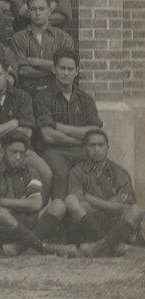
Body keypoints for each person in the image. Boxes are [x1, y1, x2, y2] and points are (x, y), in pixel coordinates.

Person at [0, 131, 75, 257]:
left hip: (30, 223)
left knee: (58, 205)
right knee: (2, 216)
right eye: (13, 152)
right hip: (5, 228)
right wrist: (24, 203)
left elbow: (36, 204)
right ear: (2, 151)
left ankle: (17, 248)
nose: (18, 157)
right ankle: (42, 247)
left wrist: (5, 201)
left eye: (22, 153)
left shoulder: (31, 172)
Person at [0, 55, 52, 188]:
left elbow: (26, 133)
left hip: (20, 148)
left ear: (6, 73)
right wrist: (13, 123)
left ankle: (38, 206)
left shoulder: (22, 96)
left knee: (45, 172)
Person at [34, 49, 103, 200]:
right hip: (54, 151)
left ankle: (88, 216)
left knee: (96, 169)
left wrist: (62, 128)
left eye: (70, 69)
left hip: (81, 150)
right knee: (61, 174)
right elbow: (49, 136)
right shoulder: (43, 98)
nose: (66, 73)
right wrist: (81, 138)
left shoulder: (85, 99)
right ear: (54, 69)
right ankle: (59, 217)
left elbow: (95, 133)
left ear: (77, 71)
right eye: (62, 68)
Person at [65, 129, 144, 257]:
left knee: (137, 209)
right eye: (92, 145)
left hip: (114, 224)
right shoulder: (77, 171)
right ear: (85, 148)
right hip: (88, 225)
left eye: (100, 145)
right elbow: (76, 202)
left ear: (107, 147)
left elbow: (126, 208)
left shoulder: (120, 173)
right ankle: (113, 245)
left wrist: (90, 199)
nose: (97, 149)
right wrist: (111, 203)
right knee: (71, 202)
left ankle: (100, 246)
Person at [9, 0, 75, 97]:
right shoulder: (18, 38)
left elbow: (70, 68)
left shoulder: (64, 38)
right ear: (28, 12)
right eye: (33, 9)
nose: (37, 13)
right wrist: (55, 70)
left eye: (41, 9)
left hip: (56, 93)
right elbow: (22, 71)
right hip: (28, 93)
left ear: (49, 11)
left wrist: (37, 62)